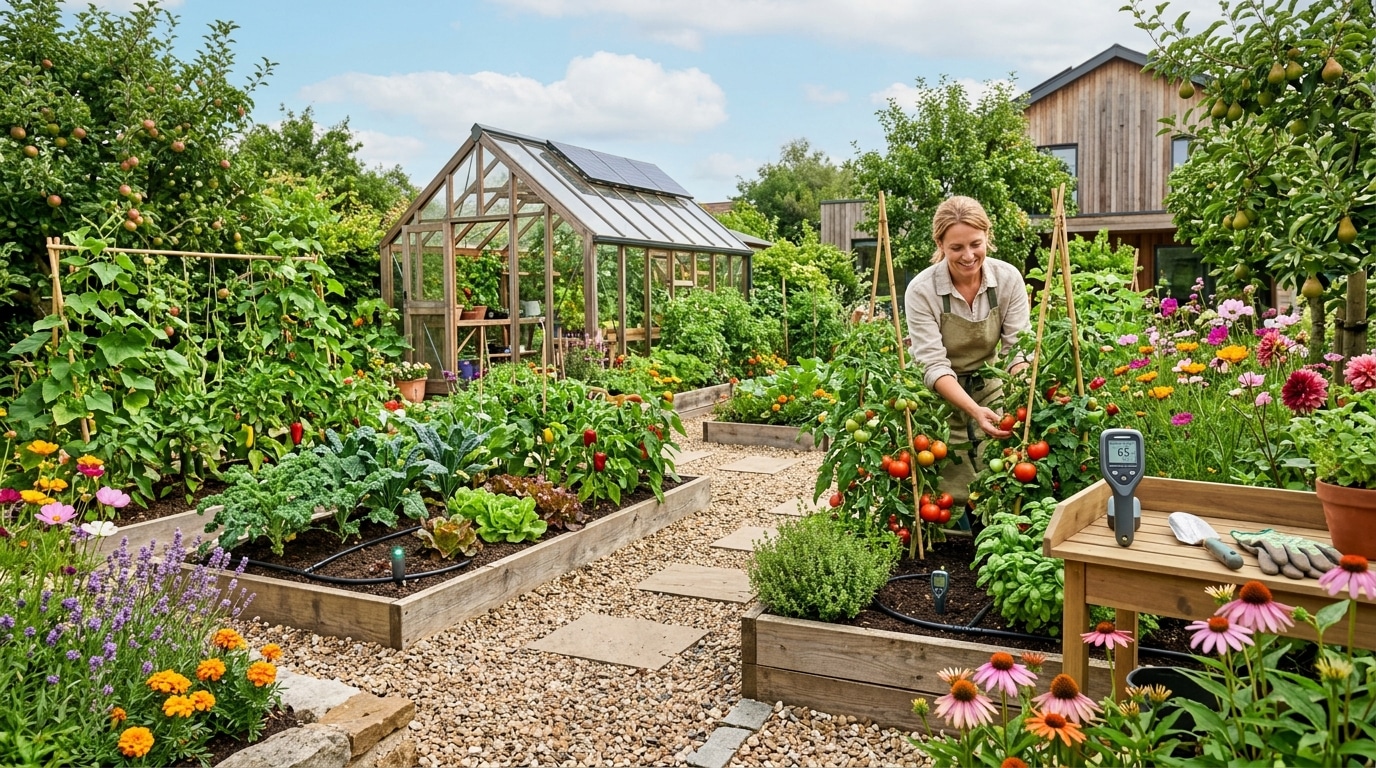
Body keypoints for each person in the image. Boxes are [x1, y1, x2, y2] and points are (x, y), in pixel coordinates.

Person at [904, 196, 1030, 496]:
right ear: (940, 244)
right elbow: (933, 365)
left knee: (996, 474)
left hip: (989, 384)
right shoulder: (922, 291)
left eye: (976, 243)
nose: (968, 255)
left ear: (987, 236)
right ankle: (951, 542)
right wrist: (974, 410)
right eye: (956, 248)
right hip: (937, 396)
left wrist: (1030, 388)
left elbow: (1018, 349)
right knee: (947, 482)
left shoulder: (1007, 279)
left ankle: (988, 539)